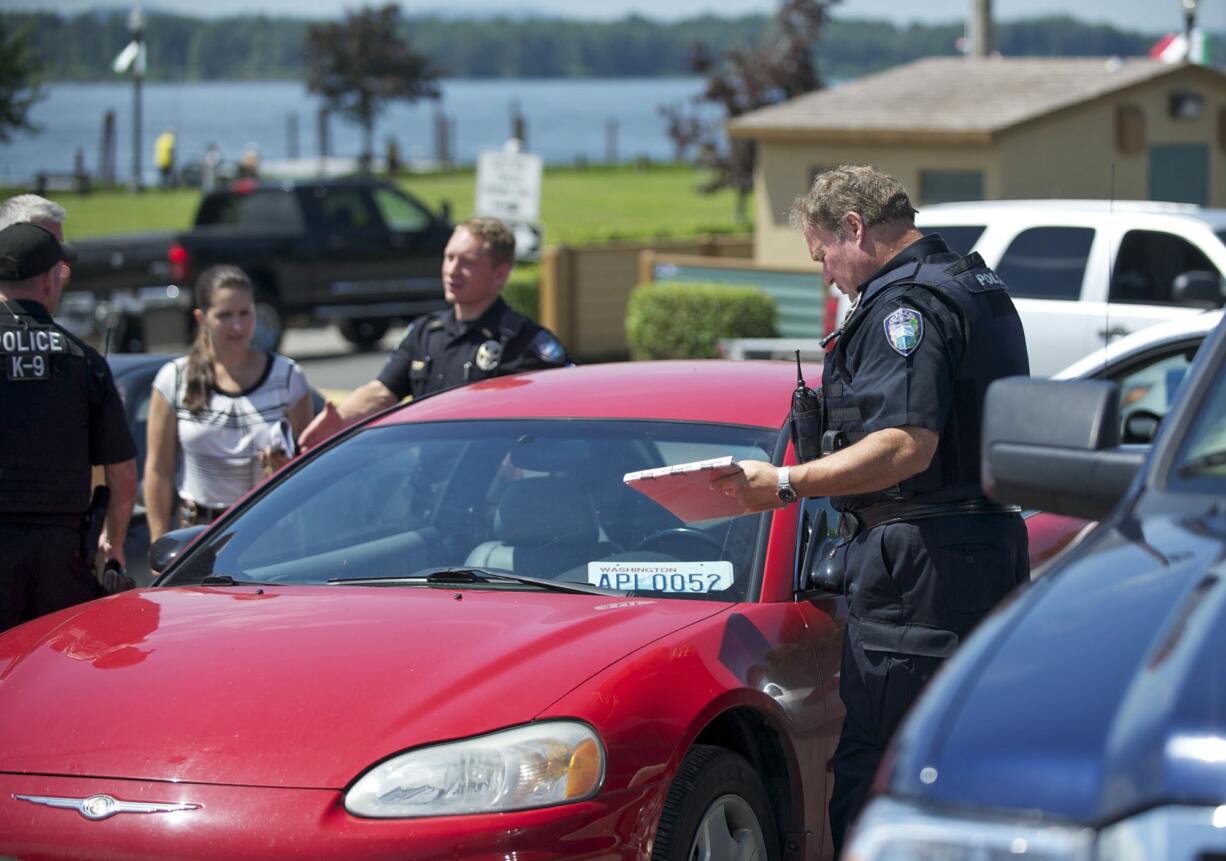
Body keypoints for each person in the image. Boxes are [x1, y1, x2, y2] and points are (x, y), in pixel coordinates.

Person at [714, 165, 1031, 855]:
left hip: (919, 580)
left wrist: (788, 482)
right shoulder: (974, 285)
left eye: (823, 253)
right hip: (977, 559)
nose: (828, 274)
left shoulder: (904, 308)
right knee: (963, 774)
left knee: (881, 780)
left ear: (853, 228)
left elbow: (906, 445)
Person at [299, 216, 570, 449]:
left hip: (487, 488)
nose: (452, 270)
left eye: (467, 262)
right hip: (428, 482)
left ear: (500, 274)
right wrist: (339, 420)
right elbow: (382, 393)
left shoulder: (522, 342)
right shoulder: (426, 333)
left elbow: (562, 412)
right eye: (449, 257)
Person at [0, 217, 137, 632]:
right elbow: (122, 474)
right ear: (46, 281)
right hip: (61, 558)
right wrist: (113, 547)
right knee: (54, 673)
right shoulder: (84, 361)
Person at [144, 265, 313, 541]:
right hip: (197, 536)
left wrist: (285, 467)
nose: (237, 326)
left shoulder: (287, 377)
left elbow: (311, 469)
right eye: (224, 315)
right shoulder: (174, 379)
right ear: (202, 318)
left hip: (270, 534)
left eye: (245, 313)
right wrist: (159, 540)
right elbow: (158, 471)